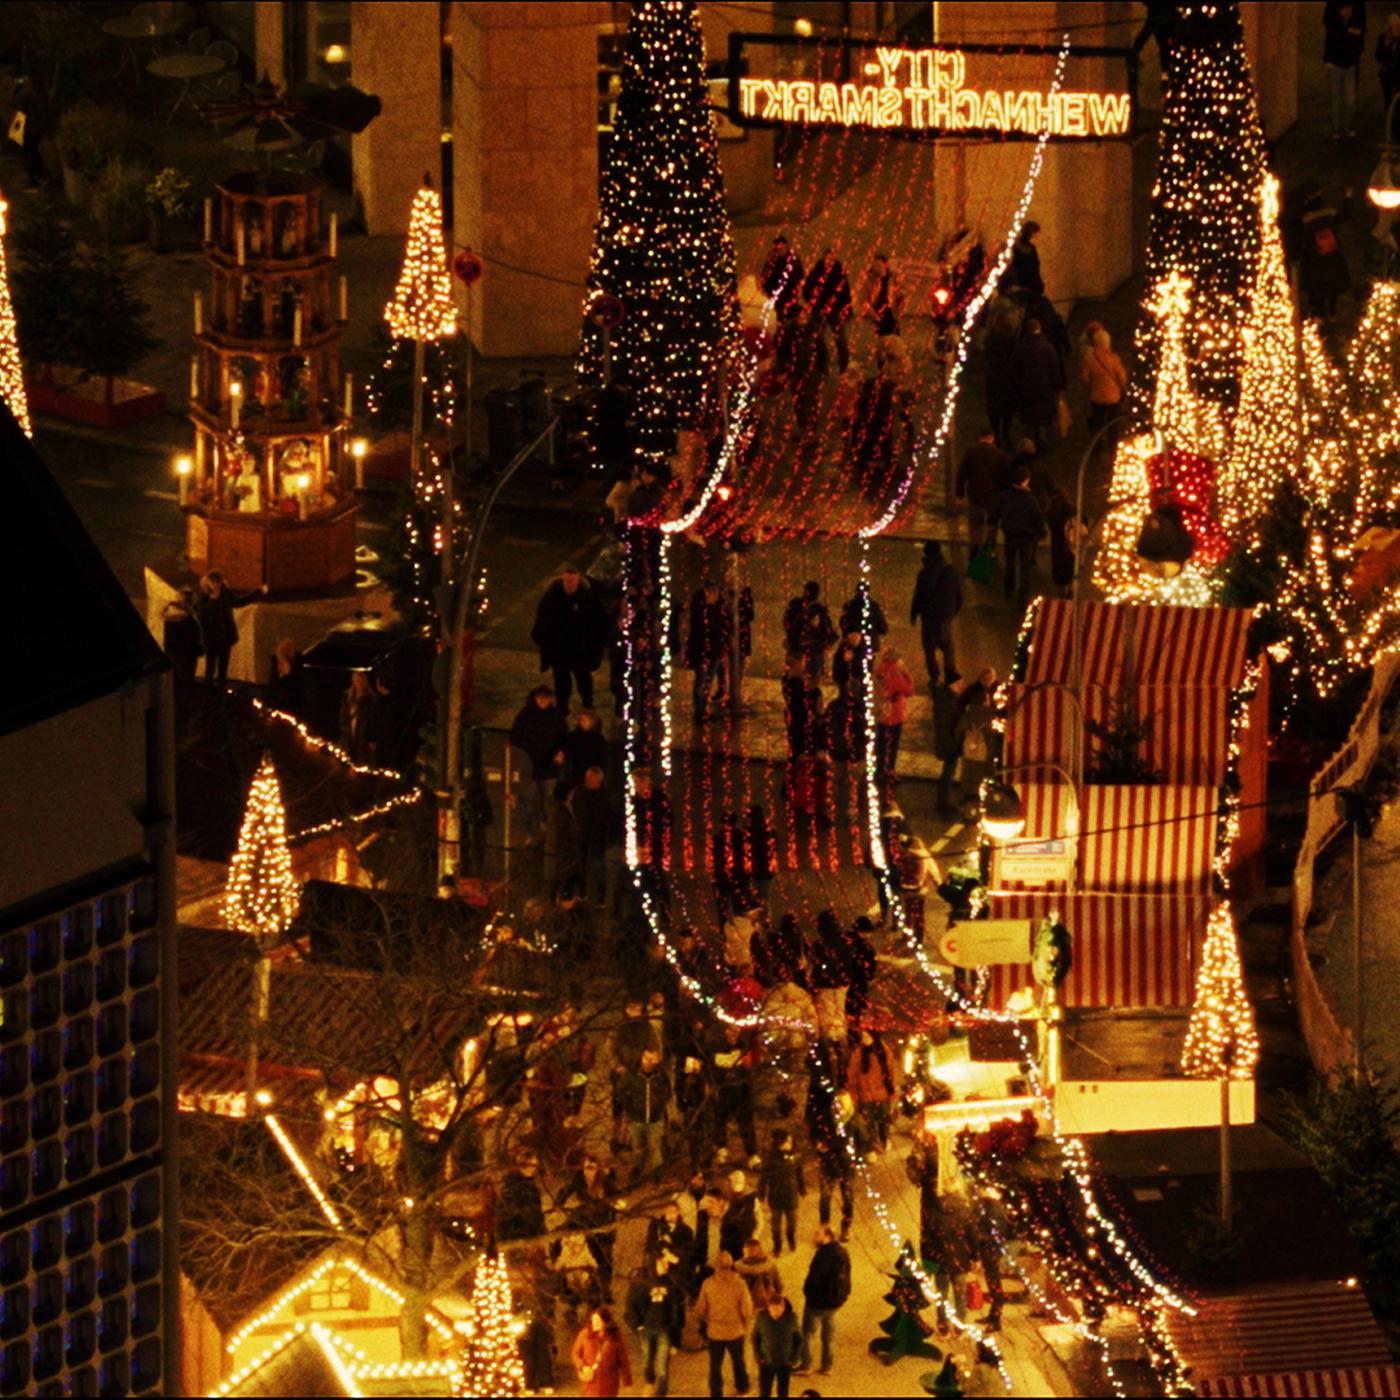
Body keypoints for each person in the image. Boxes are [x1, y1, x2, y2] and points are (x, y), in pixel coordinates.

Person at [531, 564, 608, 713]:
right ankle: (563, 710)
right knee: (562, 684)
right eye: (568, 580)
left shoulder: (588, 597)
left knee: (584, 681)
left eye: (573, 581)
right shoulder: (552, 597)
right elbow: (542, 621)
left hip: (581, 651)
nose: (570, 584)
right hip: (559, 651)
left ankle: (587, 706)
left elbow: (598, 622)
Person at [510, 686, 569, 843]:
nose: (543, 701)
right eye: (540, 698)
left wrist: (561, 753)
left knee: (545, 800)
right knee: (530, 802)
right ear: (535, 698)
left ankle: (543, 829)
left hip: (549, 767)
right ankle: (533, 832)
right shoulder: (525, 716)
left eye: (546, 698)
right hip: (527, 767)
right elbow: (515, 739)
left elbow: (563, 738)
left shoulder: (556, 716)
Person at [696, 1251, 754, 1399]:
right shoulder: (740, 1284)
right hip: (735, 1331)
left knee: (715, 1366)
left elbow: (700, 1309)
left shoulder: (708, 1284)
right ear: (731, 1266)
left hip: (715, 1332)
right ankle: (742, 1388)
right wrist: (745, 1325)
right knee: (738, 1362)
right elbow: (747, 1310)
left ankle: (716, 1393)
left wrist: (707, 1319)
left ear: (716, 1266)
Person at [625, 1253, 685, 1398]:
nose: (667, 1265)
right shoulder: (641, 1283)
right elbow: (630, 1305)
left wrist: (675, 1341)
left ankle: (661, 1392)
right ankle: (649, 1383)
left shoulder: (670, 1283)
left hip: (664, 1330)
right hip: (646, 1329)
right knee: (647, 1361)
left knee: (662, 1365)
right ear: (655, 1263)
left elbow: (675, 1310)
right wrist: (637, 1325)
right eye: (664, 1262)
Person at [990, 465, 1047, 612]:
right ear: (1025, 481)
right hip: (1026, 538)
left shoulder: (1004, 496)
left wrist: (992, 523)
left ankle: (1008, 590)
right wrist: (1042, 532)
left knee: (1010, 564)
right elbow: (1037, 518)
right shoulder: (1030, 500)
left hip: (1010, 535)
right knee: (1025, 569)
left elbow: (995, 512)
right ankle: (1022, 599)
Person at [800, 1224, 852, 1376]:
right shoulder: (842, 1252)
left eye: (818, 1234)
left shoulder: (823, 1256)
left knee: (808, 1334)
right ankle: (827, 1366)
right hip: (834, 1301)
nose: (814, 1237)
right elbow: (847, 1276)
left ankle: (806, 1365)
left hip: (817, 1303)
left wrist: (807, 1292)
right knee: (829, 1336)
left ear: (827, 1236)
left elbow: (814, 1280)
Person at [909, 542, 963, 686]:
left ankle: (934, 676)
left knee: (929, 647)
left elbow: (918, 596)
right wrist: (955, 609)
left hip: (929, 616)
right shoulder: (950, 570)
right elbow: (958, 593)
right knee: (947, 645)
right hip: (945, 614)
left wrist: (914, 613)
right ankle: (950, 671)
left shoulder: (924, 573)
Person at [195, 570, 263, 684]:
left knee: (223, 668)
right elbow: (203, 616)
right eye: (214, 582)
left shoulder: (225, 592)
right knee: (210, 668)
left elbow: (239, 601)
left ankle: (221, 693)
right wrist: (213, 600)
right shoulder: (203, 596)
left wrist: (257, 592)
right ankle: (208, 693)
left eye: (219, 583)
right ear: (208, 582)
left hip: (225, 638)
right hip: (210, 638)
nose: (217, 586)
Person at [1008, 317, 1065, 450]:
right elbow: (1055, 366)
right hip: (1045, 385)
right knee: (1043, 412)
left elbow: (1013, 366)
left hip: (1027, 385)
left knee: (1031, 412)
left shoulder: (1021, 346)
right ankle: (1042, 436)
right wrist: (1058, 385)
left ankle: (1032, 438)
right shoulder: (1047, 346)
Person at [618, 1044, 671, 1182]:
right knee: (637, 1148)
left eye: (651, 1059)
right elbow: (622, 1091)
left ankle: (656, 1175)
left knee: (655, 1149)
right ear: (641, 1057)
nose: (648, 1062)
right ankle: (637, 1169)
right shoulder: (631, 1074)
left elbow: (667, 1091)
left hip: (655, 1118)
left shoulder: (660, 1075)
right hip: (636, 1118)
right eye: (646, 1058)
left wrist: (660, 1103)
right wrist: (629, 1108)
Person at [1300, 189, 1352, 320]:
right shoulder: (1330, 217)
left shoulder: (1306, 223)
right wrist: (1348, 198)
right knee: (1334, 287)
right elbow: (1346, 215)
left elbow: (1303, 243)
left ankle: (1319, 316)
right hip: (1333, 259)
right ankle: (1332, 311)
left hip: (1316, 261)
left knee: (1318, 289)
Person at [687, 579, 734, 722]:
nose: (715, 594)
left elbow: (724, 626)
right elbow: (701, 628)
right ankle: (699, 713)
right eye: (712, 591)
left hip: (715, 650)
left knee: (707, 681)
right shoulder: (700, 607)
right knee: (701, 681)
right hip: (702, 650)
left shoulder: (718, 607)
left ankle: (703, 710)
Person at [955, 430, 1010, 552]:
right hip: (994, 497)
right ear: (992, 439)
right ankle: (989, 551)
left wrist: (959, 493)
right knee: (992, 526)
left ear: (979, 438)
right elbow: (1005, 478)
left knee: (975, 527)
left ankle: (974, 550)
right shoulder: (1001, 455)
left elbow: (962, 474)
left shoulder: (970, 453)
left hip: (975, 496)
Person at [567, 766, 612, 908]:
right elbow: (574, 808)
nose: (588, 781)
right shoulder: (580, 791)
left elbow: (608, 813)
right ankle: (582, 890)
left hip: (598, 834)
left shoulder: (604, 794)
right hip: (582, 832)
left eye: (591, 779)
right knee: (580, 862)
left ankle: (600, 894)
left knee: (599, 866)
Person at [802, 248, 854, 370]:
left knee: (840, 340)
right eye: (827, 258)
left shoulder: (840, 273)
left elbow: (846, 293)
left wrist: (846, 309)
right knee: (816, 339)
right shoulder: (815, 273)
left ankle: (844, 367)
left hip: (835, 311)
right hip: (819, 311)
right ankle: (821, 365)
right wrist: (813, 302)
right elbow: (806, 290)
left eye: (831, 259)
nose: (829, 261)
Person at [847, 1028, 896, 1152]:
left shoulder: (884, 1051)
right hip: (866, 1095)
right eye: (862, 1037)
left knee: (883, 1120)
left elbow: (891, 1072)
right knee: (868, 1122)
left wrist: (892, 1091)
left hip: (882, 1093)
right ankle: (872, 1146)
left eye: (866, 1036)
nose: (864, 1040)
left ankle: (884, 1139)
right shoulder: (858, 1054)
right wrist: (854, 1095)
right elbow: (852, 1076)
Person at [759, 1127, 806, 1257]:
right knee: (775, 1227)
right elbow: (764, 1177)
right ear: (780, 1143)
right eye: (787, 1141)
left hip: (791, 1196)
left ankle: (791, 1239)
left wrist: (802, 1190)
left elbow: (799, 1174)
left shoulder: (795, 1157)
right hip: (776, 1197)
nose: (790, 1143)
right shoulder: (770, 1158)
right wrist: (761, 1194)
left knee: (791, 1224)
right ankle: (777, 1246)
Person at [1324, 1, 1367, 139]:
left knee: (1346, 99)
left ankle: (1343, 126)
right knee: (1338, 98)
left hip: (1346, 62)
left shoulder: (1334, 17)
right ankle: (1339, 127)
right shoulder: (1337, 19)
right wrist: (1352, 32)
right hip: (1338, 62)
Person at [872, 648, 915, 784]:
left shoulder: (878, 670)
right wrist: (908, 675)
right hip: (895, 714)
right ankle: (890, 772)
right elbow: (909, 691)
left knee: (881, 745)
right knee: (892, 746)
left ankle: (879, 772)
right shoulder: (896, 672)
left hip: (882, 714)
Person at [783, 582, 838, 684]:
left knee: (794, 683)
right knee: (810, 683)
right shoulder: (818, 609)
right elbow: (826, 633)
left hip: (797, 650)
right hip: (812, 654)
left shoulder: (796, 605)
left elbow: (786, 622)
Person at [571, 1307, 632, 1398]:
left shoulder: (615, 1337)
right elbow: (575, 1354)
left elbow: (623, 1361)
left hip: (609, 1383)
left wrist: (627, 1382)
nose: (594, 1323)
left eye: (598, 1320)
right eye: (593, 1320)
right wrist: (582, 1366)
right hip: (590, 1382)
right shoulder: (584, 1334)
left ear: (605, 1321)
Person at [753, 1292, 803, 1399]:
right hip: (766, 1362)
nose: (775, 1314)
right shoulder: (761, 1317)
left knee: (783, 1392)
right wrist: (758, 1356)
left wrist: (794, 1358)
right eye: (773, 1310)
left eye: (778, 1310)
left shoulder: (792, 1318)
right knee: (764, 1392)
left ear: (783, 1307)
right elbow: (755, 1337)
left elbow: (799, 1339)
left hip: (784, 1363)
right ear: (768, 1308)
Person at [1079, 326, 1129, 430]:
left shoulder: (1089, 359)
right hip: (1114, 398)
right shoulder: (1114, 358)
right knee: (1113, 424)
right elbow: (1122, 378)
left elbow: (1085, 379)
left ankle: (1099, 443)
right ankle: (1112, 443)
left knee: (1098, 424)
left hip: (1096, 398)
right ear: (1108, 343)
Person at [498, 1149, 546, 1244]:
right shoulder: (511, 1185)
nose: (534, 1170)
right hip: (515, 1237)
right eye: (531, 1166)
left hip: (531, 1237)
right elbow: (509, 1211)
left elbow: (537, 1213)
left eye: (535, 1166)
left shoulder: (532, 1187)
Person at [762, 234, 807, 323]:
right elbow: (766, 278)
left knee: (790, 319)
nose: (780, 250)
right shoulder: (772, 261)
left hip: (790, 295)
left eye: (781, 247)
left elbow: (800, 274)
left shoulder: (793, 260)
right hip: (777, 298)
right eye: (777, 248)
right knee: (780, 320)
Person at [339, 671, 380, 764]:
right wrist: (344, 728)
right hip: (348, 733)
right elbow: (342, 715)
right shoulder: (347, 697)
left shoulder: (371, 699)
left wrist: (372, 737)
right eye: (357, 681)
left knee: (361, 760)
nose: (359, 683)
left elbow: (373, 719)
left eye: (361, 681)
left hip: (363, 734)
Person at [161, 588, 202, 680]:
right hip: (185, 655)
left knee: (174, 682)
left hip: (172, 652)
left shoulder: (171, 613)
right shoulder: (186, 617)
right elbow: (191, 637)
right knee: (185, 681)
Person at [862, 252, 905, 338]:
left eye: (879, 264)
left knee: (894, 340)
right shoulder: (871, 280)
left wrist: (899, 312)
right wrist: (873, 315)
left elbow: (901, 294)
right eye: (875, 265)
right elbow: (865, 300)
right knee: (881, 341)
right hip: (878, 314)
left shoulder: (892, 278)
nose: (876, 267)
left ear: (885, 264)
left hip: (892, 314)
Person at [838, 580, 889, 645]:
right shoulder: (874, 607)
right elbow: (883, 628)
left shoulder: (849, 605)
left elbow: (843, 624)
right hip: (870, 644)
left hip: (853, 644)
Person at [1010, 220, 1045, 297]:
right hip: (1023, 287)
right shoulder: (1016, 248)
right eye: (1036, 235)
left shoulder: (1031, 248)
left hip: (1032, 286)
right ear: (1031, 234)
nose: (1038, 238)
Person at [1380, 12, 1400, 113]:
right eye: (1394, 25)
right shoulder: (1383, 38)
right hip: (1387, 73)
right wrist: (1388, 46)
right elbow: (1378, 56)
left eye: (1397, 25)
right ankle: (1389, 116)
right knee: (1388, 97)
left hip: (1398, 73)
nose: (1396, 28)